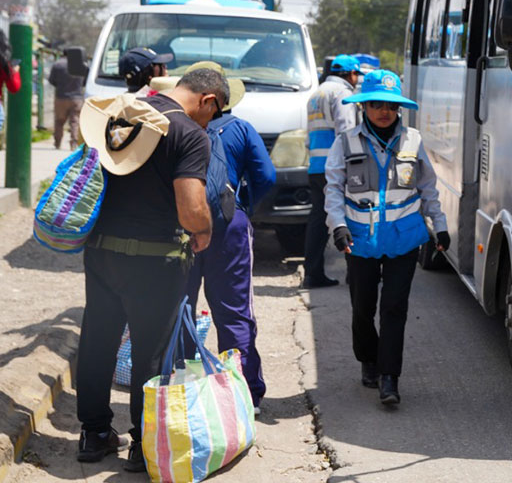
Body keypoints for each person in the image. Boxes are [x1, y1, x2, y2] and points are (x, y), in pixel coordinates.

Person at [75, 68, 227, 472]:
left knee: (97, 339)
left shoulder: (123, 115)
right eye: (215, 113)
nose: (210, 122)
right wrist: (204, 232)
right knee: (151, 353)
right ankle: (143, 445)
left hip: (102, 253)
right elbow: (191, 205)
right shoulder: (188, 134)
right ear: (208, 99)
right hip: (154, 261)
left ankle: (93, 434)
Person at [153, 63, 276, 412]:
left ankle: (183, 391)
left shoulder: (170, 125)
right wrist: (241, 205)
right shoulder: (241, 128)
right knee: (235, 313)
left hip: (179, 226)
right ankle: (244, 396)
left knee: (180, 308)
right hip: (228, 226)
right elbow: (266, 175)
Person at [323, 69, 448, 407]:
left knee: (394, 307)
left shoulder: (414, 141)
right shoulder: (345, 142)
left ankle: (389, 378)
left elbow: (428, 189)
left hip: (404, 239)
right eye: (377, 104)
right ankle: (368, 359)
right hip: (359, 240)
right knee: (362, 308)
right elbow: (333, 188)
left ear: (398, 110)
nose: (384, 112)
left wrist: (440, 226)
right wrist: (338, 225)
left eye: (391, 107)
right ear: (365, 107)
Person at [302, 55, 362, 288]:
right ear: (351, 74)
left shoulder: (316, 94)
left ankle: (312, 273)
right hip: (336, 167)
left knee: (318, 219)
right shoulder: (343, 94)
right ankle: (355, 274)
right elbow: (346, 132)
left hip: (316, 166)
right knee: (349, 216)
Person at [48, 51, 85, 149]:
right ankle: (73, 143)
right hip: (77, 98)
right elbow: (84, 81)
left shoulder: (57, 65)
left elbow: (51, 80)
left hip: (61, 97)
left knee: (59, 121)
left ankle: (57, 143)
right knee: (75, 121)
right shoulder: (81, 65)